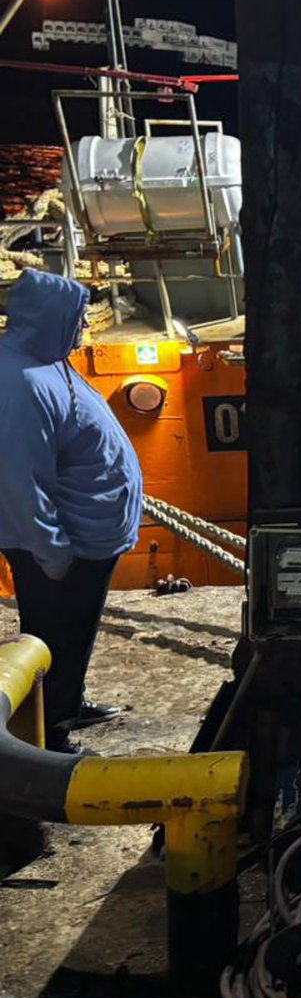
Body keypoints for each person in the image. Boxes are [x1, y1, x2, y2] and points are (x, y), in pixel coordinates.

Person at [0, 270, 141, 753]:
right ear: (48, 318)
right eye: (76, 318)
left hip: (86, 537)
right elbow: (19, 483)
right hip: (61, 545)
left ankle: (67, 702)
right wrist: (52, 552)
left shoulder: (44, 360)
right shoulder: (20, 382)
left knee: (75, 632)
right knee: (53, 636)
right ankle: (51, 737)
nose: (83, 327)